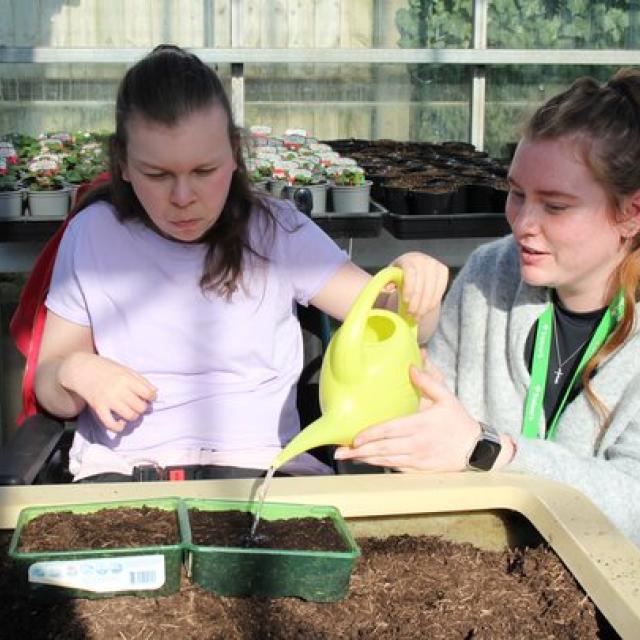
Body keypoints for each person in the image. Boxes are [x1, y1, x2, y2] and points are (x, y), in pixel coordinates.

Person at [33, 45, 447, 482]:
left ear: (233, 153)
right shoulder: (94, 234)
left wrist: (414, 283)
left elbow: (402, 325)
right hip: (126, 470)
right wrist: (75, 370)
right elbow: (49, 385)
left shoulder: (277, 232)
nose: (182, 197)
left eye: (204, 170)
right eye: (157, 175)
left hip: (261, 469)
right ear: (123, 164)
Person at [335, 68, 640, 546]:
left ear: (631, 213)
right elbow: (426, 430)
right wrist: (399, 329)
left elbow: (633, 505)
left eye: (555, 206)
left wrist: (489, 449)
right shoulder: (490, 275)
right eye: (517, 194)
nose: (523, 224)